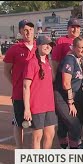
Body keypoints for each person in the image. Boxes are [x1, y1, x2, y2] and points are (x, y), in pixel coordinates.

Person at [23, 36, 57, 164]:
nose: (48, 46)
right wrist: (26, 108)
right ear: (38, 45)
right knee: (38, 135)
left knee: (50, 134)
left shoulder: (48, 62)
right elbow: (26, 86)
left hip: (49, 104)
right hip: (36, 105)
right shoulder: (31, 63)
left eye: (50, 45)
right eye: (45, 44)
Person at [3, 19, 36, 149]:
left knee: (37, 123)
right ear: (20, 32)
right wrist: (16, 84)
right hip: (19, 94)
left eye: (31, 30)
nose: (28, 32)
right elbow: (6, 71)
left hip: (36, 93)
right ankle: (20, 149)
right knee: (19, 123)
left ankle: (35, 151)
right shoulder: (14, 49)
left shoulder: (39, 47)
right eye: (25, 30)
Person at [54, 36, 83, 149]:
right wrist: (70, 103)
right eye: (80, 47)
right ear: (73, 47)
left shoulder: (78, 59)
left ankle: (64, 147)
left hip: (70, 96)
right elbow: (66, 83)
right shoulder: (70, 59)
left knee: (64, 124)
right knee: (75, 125)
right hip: (62, 97)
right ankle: (72, 149)